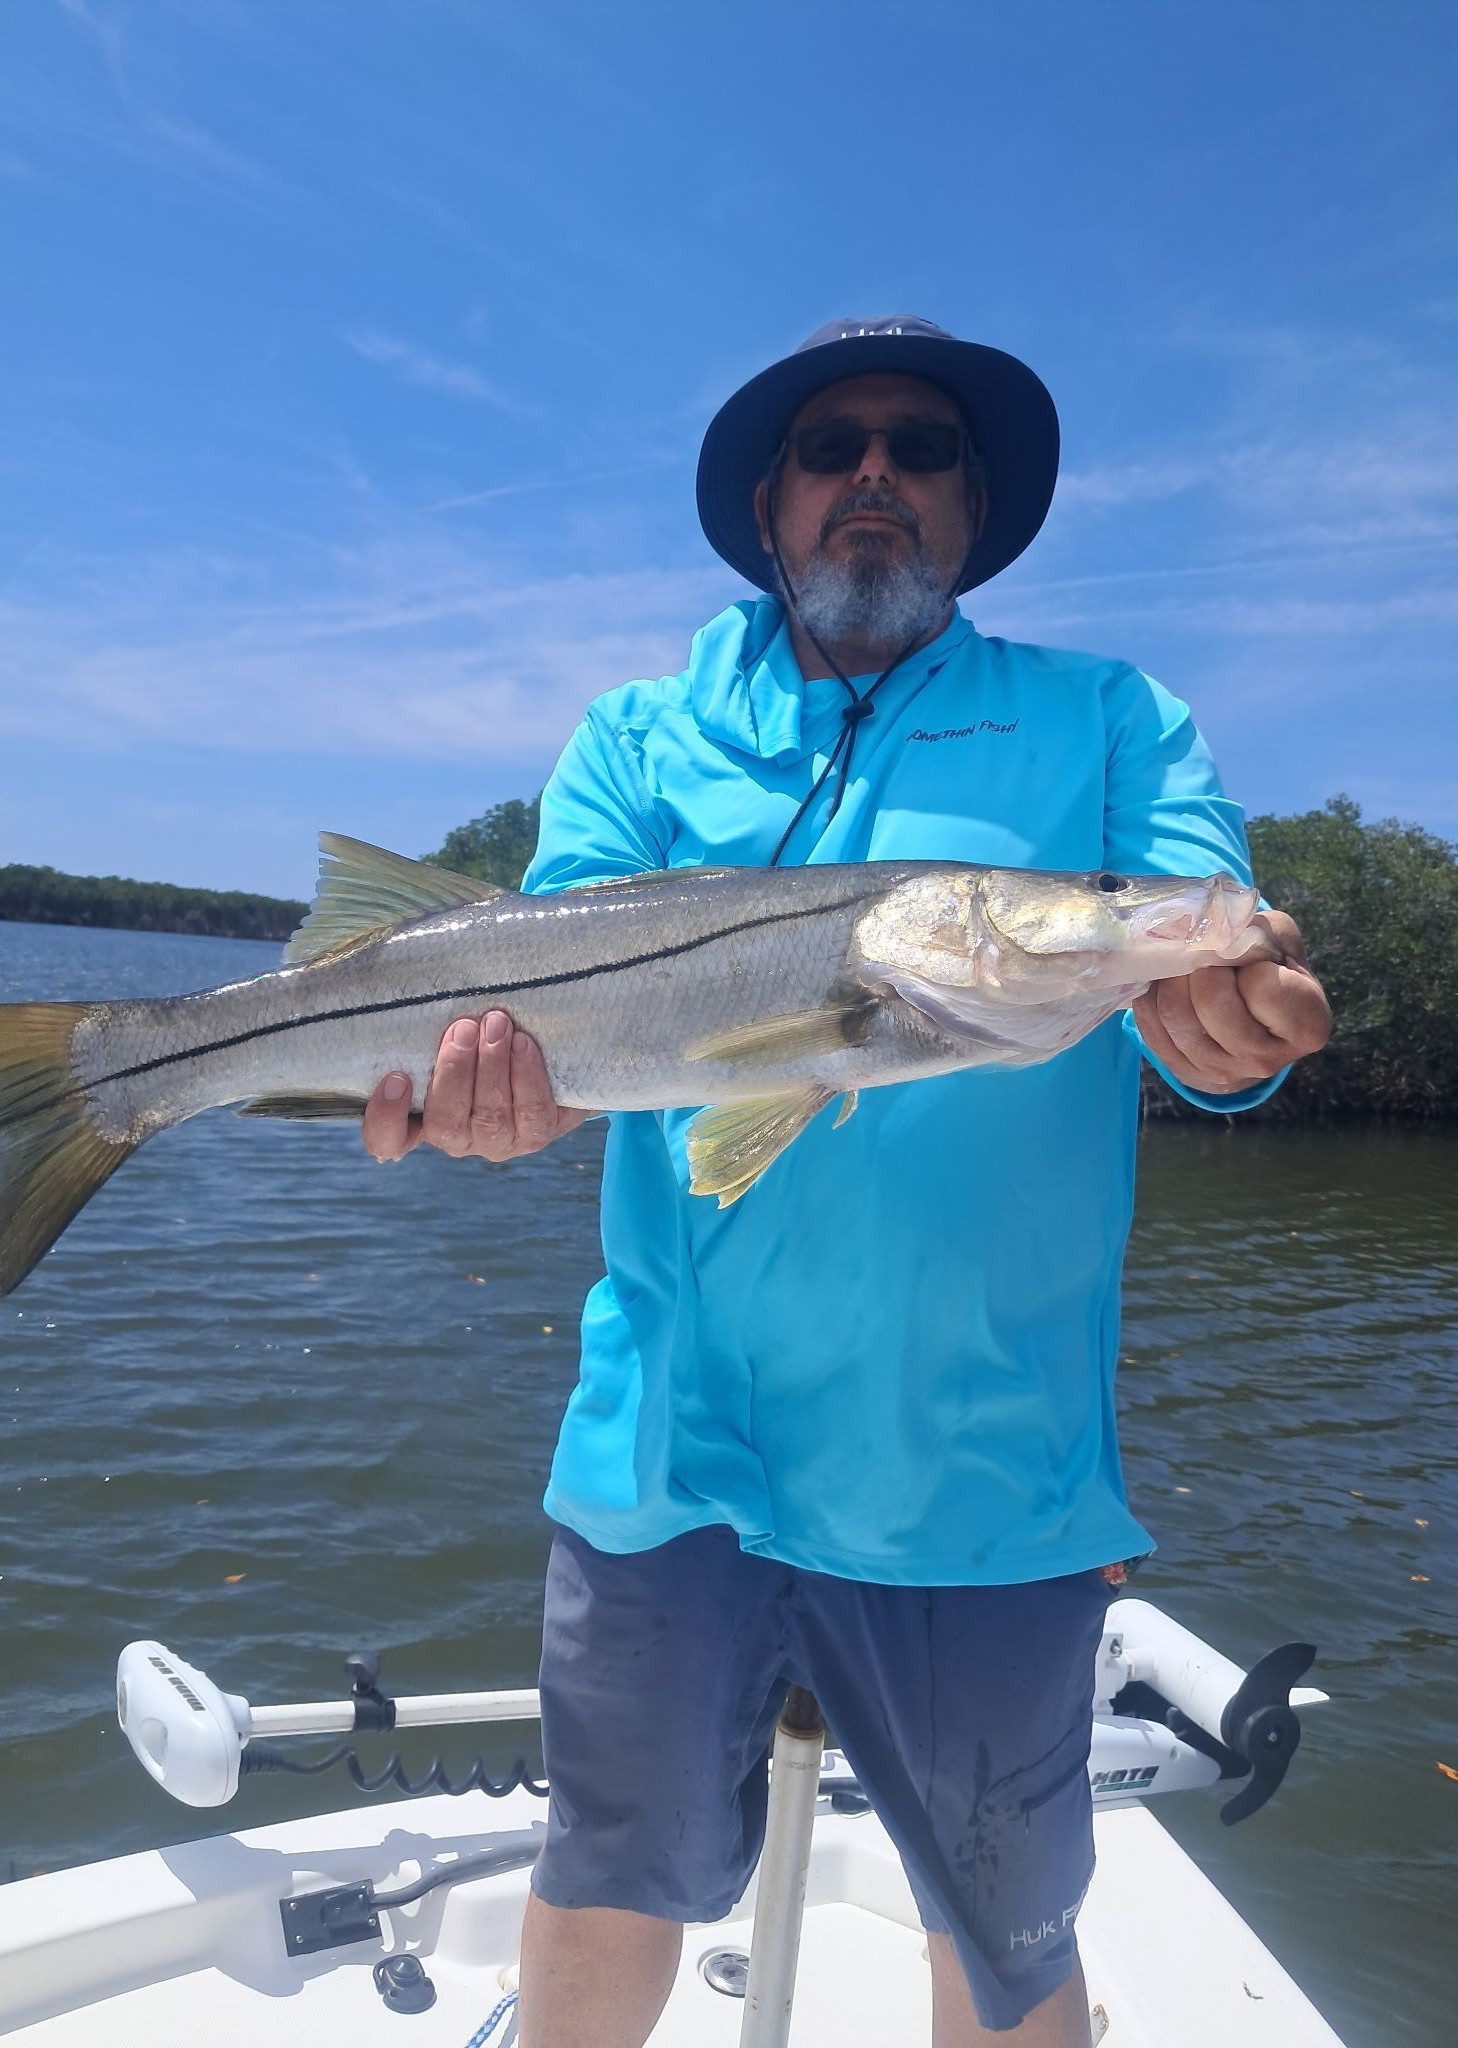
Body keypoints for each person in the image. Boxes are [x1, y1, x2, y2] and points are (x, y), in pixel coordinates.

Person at [362, 317, 1332, 2047]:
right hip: (665, 1454)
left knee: (1005, 1940)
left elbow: (1190, 968)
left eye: (920, 446)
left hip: (980, 1478)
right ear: (771, 502)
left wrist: (1225, 1025)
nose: (874, 473)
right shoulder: (642, 736)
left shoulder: (1111, 719)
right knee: (600, 1884)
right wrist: (498, 1099)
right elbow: (532, 1013)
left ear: (973, 505)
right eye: (833, 446)